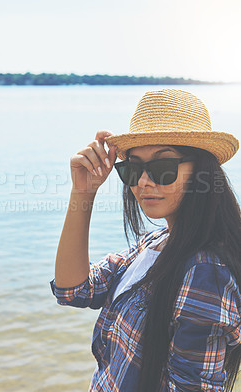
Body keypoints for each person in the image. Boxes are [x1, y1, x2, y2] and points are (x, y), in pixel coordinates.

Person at [50, 89, 241, 392]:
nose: (142, 182)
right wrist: (83, 193)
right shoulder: (155, 243)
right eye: (133, 168)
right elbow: (74, 290)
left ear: (202, 173)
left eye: (163, 167)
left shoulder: (205, 273)